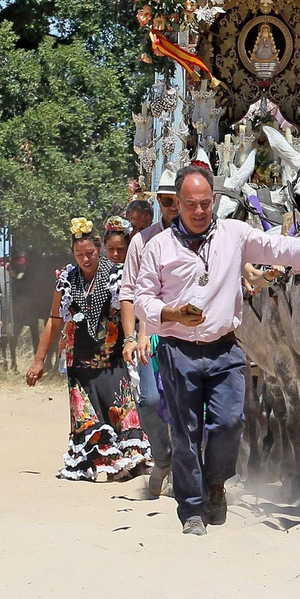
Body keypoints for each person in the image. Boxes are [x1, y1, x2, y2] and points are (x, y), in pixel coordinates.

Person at [133, 164, 300, 536]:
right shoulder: (158, 246)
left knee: (229, 423)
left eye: (205, 203)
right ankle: (192, 511)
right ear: (177, 204)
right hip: (177, 351)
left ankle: (215, 484)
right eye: (191, 204)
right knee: (186, 433)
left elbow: (274, 246)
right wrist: (170, 313)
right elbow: (141, 298)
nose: (199, 211)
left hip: (224, 350)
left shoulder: (234, 234)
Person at [26, 219, 152, 482]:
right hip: (79, 363)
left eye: (90, 253)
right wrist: (39, 361)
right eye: (79, 254)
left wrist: (133, 338)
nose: (85, 259)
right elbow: (54, 320)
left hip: (112, 360)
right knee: (86, 418)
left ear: (99, 249)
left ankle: (131, 462)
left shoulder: (117, 275)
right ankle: (96, 463)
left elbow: (132, 308)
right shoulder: (66, 279)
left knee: (120, 412)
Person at [120, 170, 179, 498]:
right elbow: (128, 292)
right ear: (159, 202)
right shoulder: (141, 242)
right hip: (151, 334)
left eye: (178, 200)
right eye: (167, 201)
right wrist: (130, 338)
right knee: (149, 401)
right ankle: (162, 456)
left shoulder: (202, 238)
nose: (174, 207)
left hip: (191, 333)